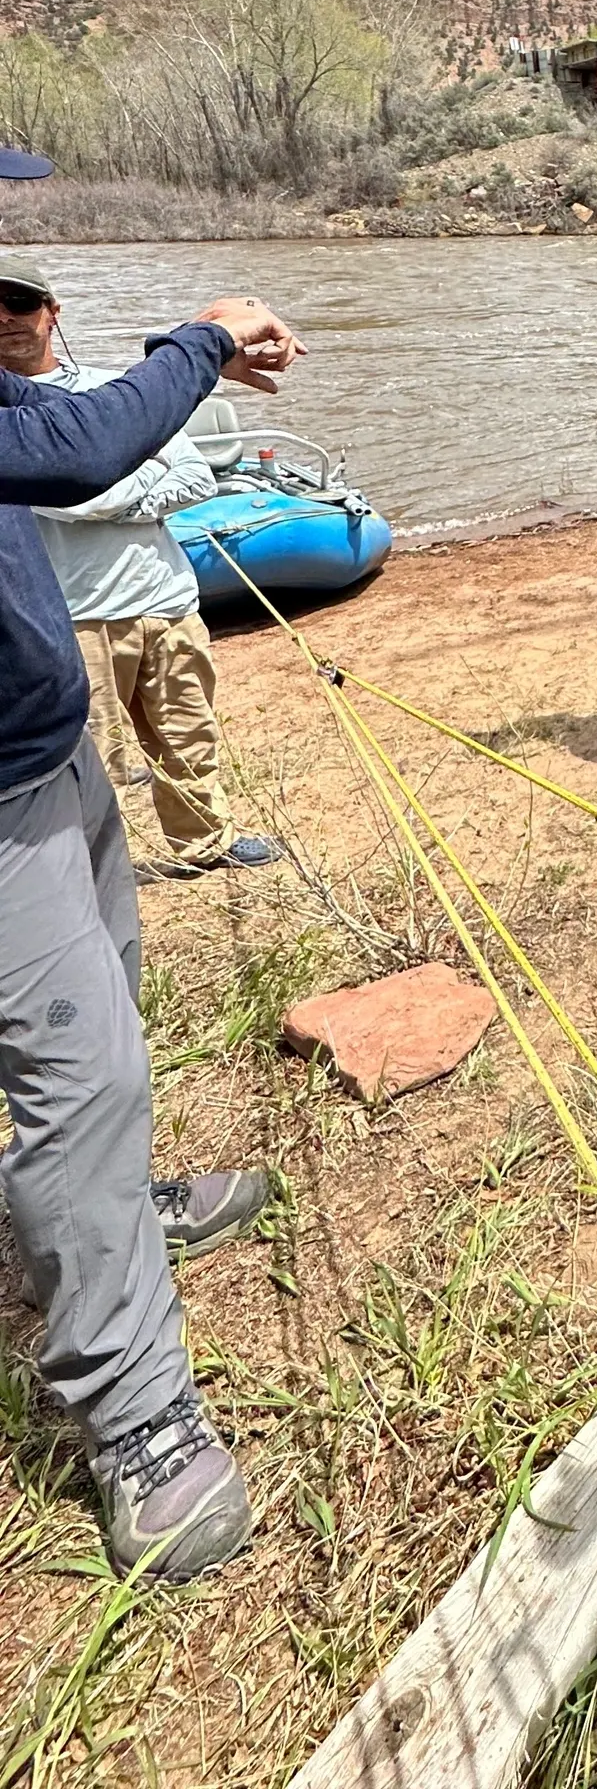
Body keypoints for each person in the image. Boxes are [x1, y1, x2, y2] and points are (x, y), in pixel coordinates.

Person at [2, 286, 304, 1581]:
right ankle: (137, 1427)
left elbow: (69, 424)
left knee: (117, 1001)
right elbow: (81, 453)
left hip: (52, 753)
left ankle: (130, 1204)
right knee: (85, 1081)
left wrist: (179, 367)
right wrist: (202, 344)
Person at [0, 257, 283, 876]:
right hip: (72, 616)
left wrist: (108, 487)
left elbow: (192, 477)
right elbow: (73, 481)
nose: (4, 319)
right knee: (88, 760)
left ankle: (205, 843)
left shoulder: (122, 392)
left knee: (190, 735)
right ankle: (91, 871)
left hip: (164, 598)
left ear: (52, 313)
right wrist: (116, 471)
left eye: (18, 303)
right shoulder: (38, 423)